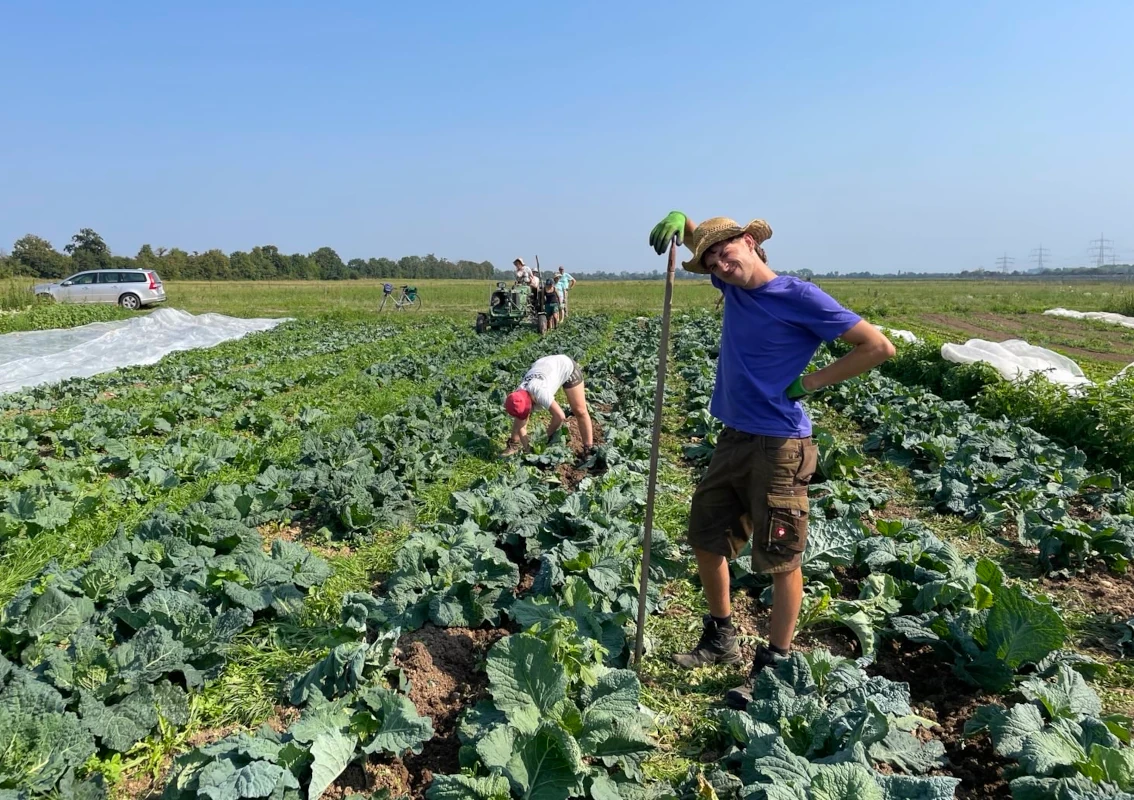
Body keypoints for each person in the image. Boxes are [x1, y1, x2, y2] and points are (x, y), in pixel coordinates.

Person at [647, 211, 895, 709]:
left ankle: (775, 665)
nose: (721, 264)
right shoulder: (732, 286)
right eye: (711, 262)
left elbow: (877, 347)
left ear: (750, 242)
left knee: (781, 557)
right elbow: (705, 242)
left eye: (726, 252)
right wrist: (685, 222)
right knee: (706, 538)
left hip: (780, 446)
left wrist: (810, 383)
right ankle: (721, 637)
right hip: (733, 438)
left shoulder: (799, 296)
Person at [502, 354, 594, 458]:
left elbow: (560, 416)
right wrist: (529, 450)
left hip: (565, 366)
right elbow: (521, 425)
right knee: (520, 416)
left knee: (580, 410)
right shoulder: (518, 395)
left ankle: (588, 448)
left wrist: (545, 436)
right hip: (543, 365)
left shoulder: (540, 392)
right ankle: (513, 444)